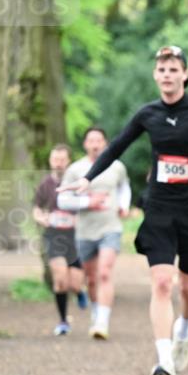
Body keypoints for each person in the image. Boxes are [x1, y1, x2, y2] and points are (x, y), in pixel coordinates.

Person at [59, 45, 188, 375]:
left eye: (173, 69)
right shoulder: (147, 114)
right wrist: (88, 178)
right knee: (163, 283)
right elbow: (116, 148)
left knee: (187, 286)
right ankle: (165, 361)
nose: (167, 75)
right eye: (162, 70)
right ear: (156, 75)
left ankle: (185, 329)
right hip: (160, 208)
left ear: (185, 75)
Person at [57, 127, 131, 339]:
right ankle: (97, 311)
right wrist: (88, 202)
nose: (95, 144)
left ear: (106, 143)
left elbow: (124, 188)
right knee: (91, 279)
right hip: (85, 231)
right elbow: (63, 200)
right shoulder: (75, 169)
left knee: (105, 273)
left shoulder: (117, 166)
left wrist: (124, 205)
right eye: (91, 141)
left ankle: (102, 323)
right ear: (85, 144)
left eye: (99, 140)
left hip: (111, 228)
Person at [32, 144, 87, 335]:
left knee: (74, 284)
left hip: (75, 236)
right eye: (55, 159)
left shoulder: (78, 183)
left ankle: (79, 292)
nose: (58, 163)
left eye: (62, 160)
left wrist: (80, 219)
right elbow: (36, 209)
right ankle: (63, 321)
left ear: (69, 161)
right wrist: (42, 218)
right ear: (50, 161)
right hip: (53, 235)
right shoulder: (45, 184)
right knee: (60, 279)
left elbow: (87, 206)